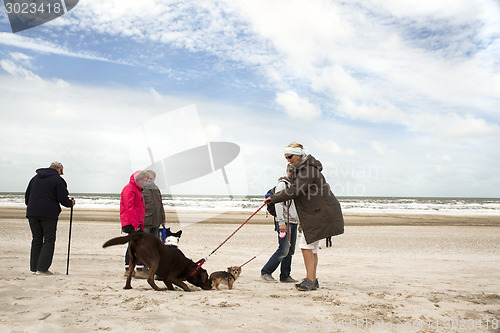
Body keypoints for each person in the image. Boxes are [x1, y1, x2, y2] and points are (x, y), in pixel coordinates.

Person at [264, 142, 344, 291]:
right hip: (318, 212)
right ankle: (313, 279)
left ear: (299, 154)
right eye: (286, 157)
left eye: (290, 156)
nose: (288, 159)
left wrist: (274, 198)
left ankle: (309, 280)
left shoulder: (308, 170)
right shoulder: (305, 169)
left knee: (305, 245)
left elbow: (295, 190)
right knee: (312, 247)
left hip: (319, 213)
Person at [25, 162, 75, 275]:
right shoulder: (57, 180)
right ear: (59, 170)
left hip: (32, 212)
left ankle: (34, 267)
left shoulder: (35, 178)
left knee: (36, 239)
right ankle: (42, 269)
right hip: (48, 213)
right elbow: (62, 198)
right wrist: (70, 203)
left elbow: (27, 196)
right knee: (49, 240)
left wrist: (33, 206)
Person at [261, 164, 299, 283]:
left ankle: (285, 276)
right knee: (283, 249)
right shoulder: (282, 185)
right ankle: (266, 272)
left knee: (290, 250)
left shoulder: (296, 186)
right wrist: (281, 222)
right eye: (292, 172)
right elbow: (278, 203)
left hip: (293, 221)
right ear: (288, 171)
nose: (294, 174)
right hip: (283, 222)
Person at [120, 170, 149, 279]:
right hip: (131, 223)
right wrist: (136, 224)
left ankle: (131, 269)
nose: (145, 182)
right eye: (143, 180)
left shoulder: (137, 190)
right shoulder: (129, 189)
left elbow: (138, 208)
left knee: (133, 245)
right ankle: (137, 269)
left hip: (137, 223)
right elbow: (129, 208)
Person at [142, 170, 166, 239]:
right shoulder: (141, 188)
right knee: (145, 242)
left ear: (154, 179)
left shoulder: (156, 188)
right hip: (145, 222)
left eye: (151, 178)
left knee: (155, 242)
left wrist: (163, 220)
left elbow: (160, 205)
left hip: (156, 221)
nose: (149, 180)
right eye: (147, 178)